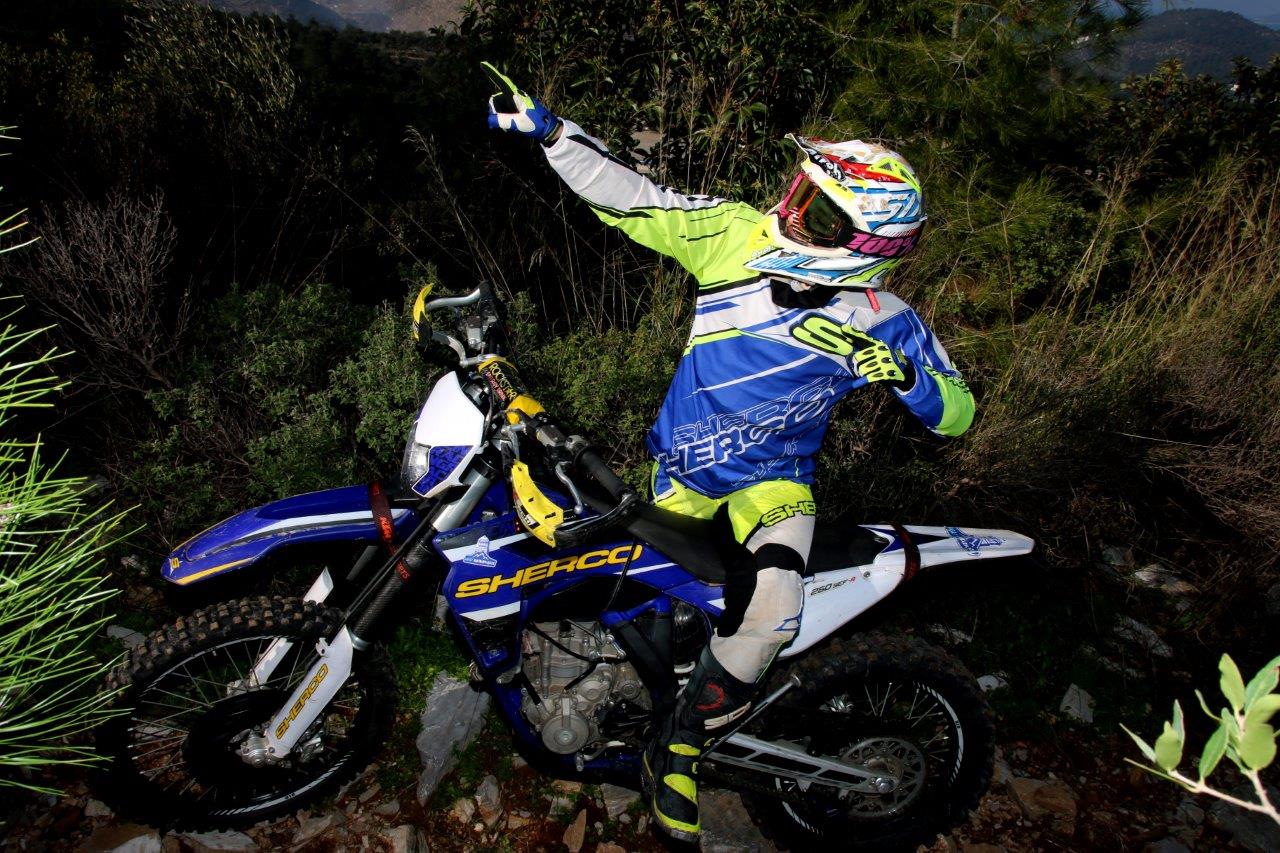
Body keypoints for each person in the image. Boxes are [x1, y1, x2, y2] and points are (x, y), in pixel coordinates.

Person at [484, 63, 975, 842]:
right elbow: (633, 198)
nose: (788, 210)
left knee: (774, 610)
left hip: (775, 483)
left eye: (814, 211)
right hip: (682, 471)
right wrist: (553, 136)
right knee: (630, 616)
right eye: (799, 190)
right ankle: (620, 706)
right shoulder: (734, 237)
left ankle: (678, 749)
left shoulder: (886, 317)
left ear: (862, 247)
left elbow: (958, 411)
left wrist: (909, 376)